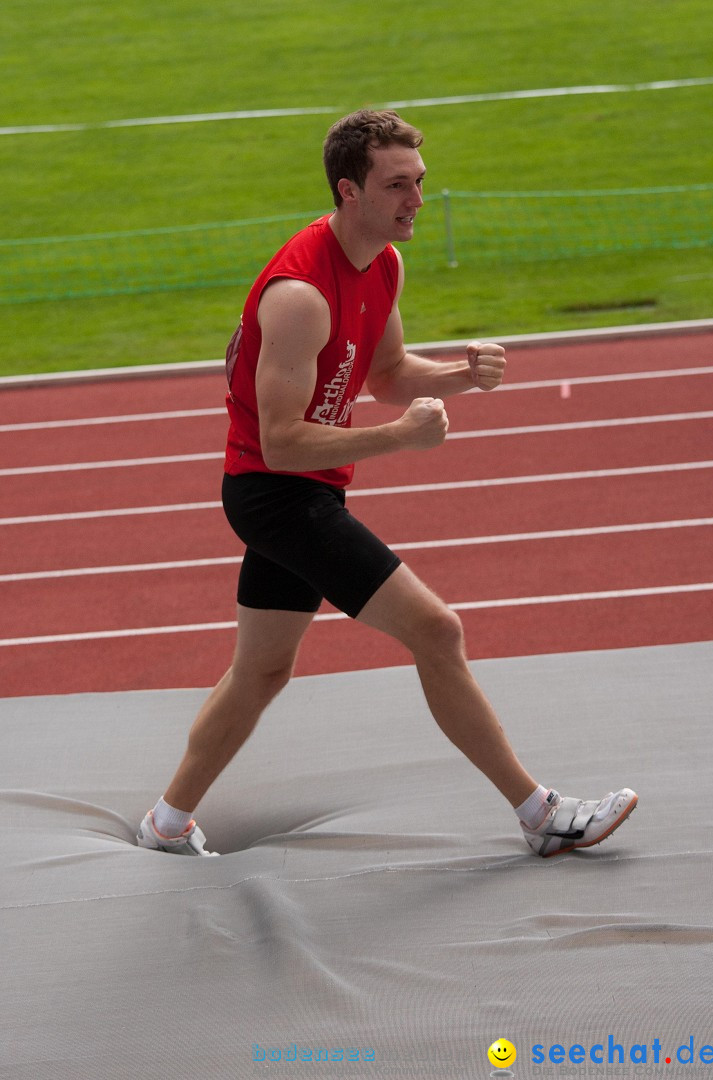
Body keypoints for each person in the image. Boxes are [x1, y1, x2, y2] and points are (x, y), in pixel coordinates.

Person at [137, 109, 637, 859]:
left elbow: (391, 373)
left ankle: (167, 823)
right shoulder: (299, 295)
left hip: (305, 489)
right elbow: (280, 443)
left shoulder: (382, 263)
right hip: (278, 492)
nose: (417, 199)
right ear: (349, 191)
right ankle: (543, 815)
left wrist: (462, 376)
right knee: (438, 630)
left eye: (420, 182)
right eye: (397, 185)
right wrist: (399, 437)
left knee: (262, 670)